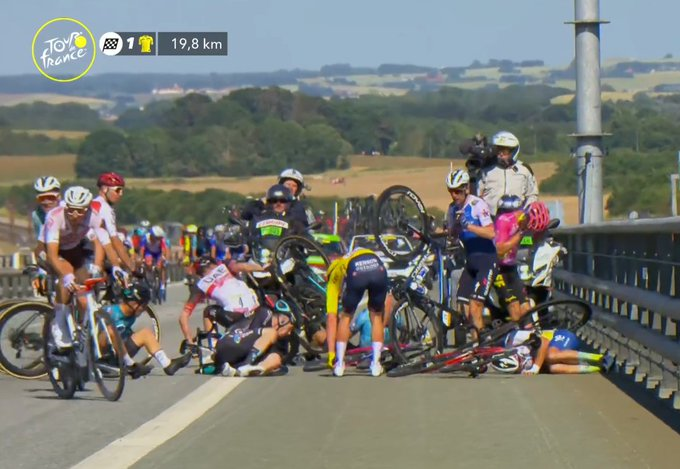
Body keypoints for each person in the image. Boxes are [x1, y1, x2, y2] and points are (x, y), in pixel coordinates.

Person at [43, 186, 120, 348]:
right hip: (53, 251)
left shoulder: (94, 216)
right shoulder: (54, 216)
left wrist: (108, 266)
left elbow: (103, 243)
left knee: (85, 287)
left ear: (87, 209)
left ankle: (81, 330)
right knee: (67, 277)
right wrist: (66, 276)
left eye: (79, 211)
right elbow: (52, 255)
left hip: (74, 250)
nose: (75, 215)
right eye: (71, 210)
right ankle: (59, 323)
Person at [179, 256, 267, 353]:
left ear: (200, 274)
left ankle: (213, 349)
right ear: (215, 263)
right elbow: (244, 266)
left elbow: (183, 316)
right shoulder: (226, 266)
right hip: (257, 309)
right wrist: (265, 267)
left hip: (236, 316)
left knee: (208, 311)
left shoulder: (201, 285)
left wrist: (190, 341)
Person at [446, 169, 496, 336]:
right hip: (470, 261)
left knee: (475, 306)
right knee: (462, 305)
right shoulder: (452, 209)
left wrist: (468, 226)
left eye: (458, 191)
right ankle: (475, 344)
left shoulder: (477, 205)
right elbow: (452, 234)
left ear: (466, 188)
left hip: (486, 260)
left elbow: (491, 233)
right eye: (451, 191)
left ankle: (480, 350)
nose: (454, 195)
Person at [104, 282, 192, 378]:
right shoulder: (110, 311)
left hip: (119, 352)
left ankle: (167, 364)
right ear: (134, 303)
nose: (144, 309)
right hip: (103, 353)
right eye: (143, 305)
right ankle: (130, 365)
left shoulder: (131, 315)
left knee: (145, 333)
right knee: (111, 330)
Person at [326, 247, 389, 377]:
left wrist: (331, 353)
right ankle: (376, 365)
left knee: (346, 317)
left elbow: (332, 318)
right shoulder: (347, 257)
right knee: (376, 316)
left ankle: (339, 365)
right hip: (378, 269)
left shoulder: (334, 276)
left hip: (357, 272)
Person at [477, 131, 539, 216]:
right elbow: (477, 194)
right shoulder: (487, 170)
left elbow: (532, 195)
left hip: (516, 218)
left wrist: (525, 212)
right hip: (491, 219)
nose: (501, 154)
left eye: (505, 151)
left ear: (513, 151)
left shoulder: (524, 170)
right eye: (498, 150)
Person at [493, 195, 531, 322]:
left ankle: (528, 335)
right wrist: (520, 234)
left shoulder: (521, 222)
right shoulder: (502, 222)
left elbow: (529, 240)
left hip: (512, 268)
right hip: (498, 269)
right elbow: (500, 250)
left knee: (526, 307)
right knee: (514, 308)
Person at [90, 172, 134, 272]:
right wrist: (132, 267)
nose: (121, 194)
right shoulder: (105, 208)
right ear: (105, 189)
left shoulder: (95, 203)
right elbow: (115, 240)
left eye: (122, 190)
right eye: (118, 190)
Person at [249, 184, 306, 256]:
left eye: (282, 200)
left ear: (289, 202)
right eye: (274, 200)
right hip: (260, 258)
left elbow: (305, 236)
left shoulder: (294, 220)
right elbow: (248, 236)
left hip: (286, 260)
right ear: (269, 202)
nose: (278, 204)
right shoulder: (258, 218)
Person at [139, 225, 170, 299]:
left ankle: (162, 285)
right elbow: (142, 250)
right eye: (156, 238)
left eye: (159, 238)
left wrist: (164, 259)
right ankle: (150, 277)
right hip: (149, 252)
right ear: (152, 235)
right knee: (148, 263)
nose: (157, 239)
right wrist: (141, 259)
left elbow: (164, 250)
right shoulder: (145, 238)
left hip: (158, 253)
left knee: (160, 265)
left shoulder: (161, 240)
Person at [31, 176, 62, 241]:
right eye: (41, 198)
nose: (46, 202)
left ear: (59, 197)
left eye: (51, 197)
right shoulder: (36, 216)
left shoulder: (68, 211)